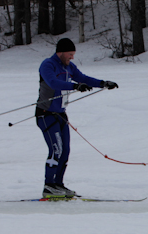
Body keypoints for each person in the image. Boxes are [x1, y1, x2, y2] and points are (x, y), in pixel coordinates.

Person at [36, 38, 118, 198]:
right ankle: (48, 186)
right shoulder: (48, 64)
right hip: (45, 114)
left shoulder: (69, 66)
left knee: (65, 151)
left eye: (73, 54)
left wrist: (103, 83)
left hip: (61, 115)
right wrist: (75, 86)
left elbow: (83, 78)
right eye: (70, 54)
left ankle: (58, 185)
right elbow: (53, 82)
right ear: (60, 52)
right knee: (56, 150)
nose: (72, 57)